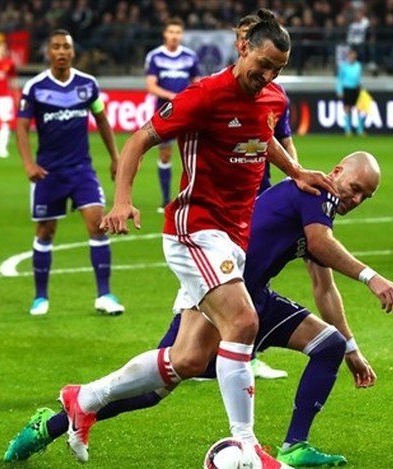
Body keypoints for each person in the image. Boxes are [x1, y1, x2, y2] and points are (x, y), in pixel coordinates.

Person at [55, 10, 336, 467]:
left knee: (188, 359)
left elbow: (263, 136)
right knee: (243, 322)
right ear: (243, 48)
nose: (268, 76)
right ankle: (247, 446)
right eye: (263, 64)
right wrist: (122, 200)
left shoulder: (272, 97)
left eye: (278, 69)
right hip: (195, 229)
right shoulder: (204, 95)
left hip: (233, 237)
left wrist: (297, 171)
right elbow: (138, 140)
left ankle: (84, 398)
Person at [3, 152, 393, 468]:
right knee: (159, 385)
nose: (355, 199)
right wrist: (372, 278)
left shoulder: (320, 211)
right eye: (355, 188)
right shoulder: (313, 193)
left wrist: (352, 350)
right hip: (216, 292)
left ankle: (294, 446)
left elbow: (324, 287)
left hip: (253, 298)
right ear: (337, 172)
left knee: (329, 345)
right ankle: (51, 423)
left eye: (365, 197)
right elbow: (319, 245)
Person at [15, 30, 124, 316]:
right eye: (56, 47)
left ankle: (104, 295)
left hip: (81, 170)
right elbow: (22, 127)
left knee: (98, 225)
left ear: (73, 52)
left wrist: (116, 157)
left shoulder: (87, 84)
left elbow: (102, 120)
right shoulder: (35, 87)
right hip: (48, 173)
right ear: (48, 52)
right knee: (45, 232)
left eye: (66, 47)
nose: (61, 51)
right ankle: (40, 297)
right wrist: (28, 164)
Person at [236, 12, 296, 380]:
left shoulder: (275, 96)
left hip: (259, 193)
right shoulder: (216, 91)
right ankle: (186, 351)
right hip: (220, 203)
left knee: (256, 272)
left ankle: (248, 353)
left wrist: (296, 176)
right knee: (216, 281)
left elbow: (279, 139)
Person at [144, 18, 201, 213]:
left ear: (182, 35)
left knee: (192, 155)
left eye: (177, 32)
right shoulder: (155, 56)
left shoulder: (190, 56)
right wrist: (172, 96)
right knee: (165, 154)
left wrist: (189, 98)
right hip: (165, 112)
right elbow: (151, 86)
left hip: (188, 112)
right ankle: (166, 199)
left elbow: (197, 82)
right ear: (165, 34)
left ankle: (192, 197)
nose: (174, 36)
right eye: (171, 32)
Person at [336, 49, 365, 137]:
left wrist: (361, 88)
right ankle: (348, 129)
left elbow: (359, 78)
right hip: (347, 88)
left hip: (356, 88)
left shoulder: (358, 66)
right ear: (348, 56)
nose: (352, 57)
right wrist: (339, 90)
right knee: (347, 108)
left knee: (360, 109)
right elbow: (340, 79)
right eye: (350, 55)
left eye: (353, 55)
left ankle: (360, 129)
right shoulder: (343, 66)